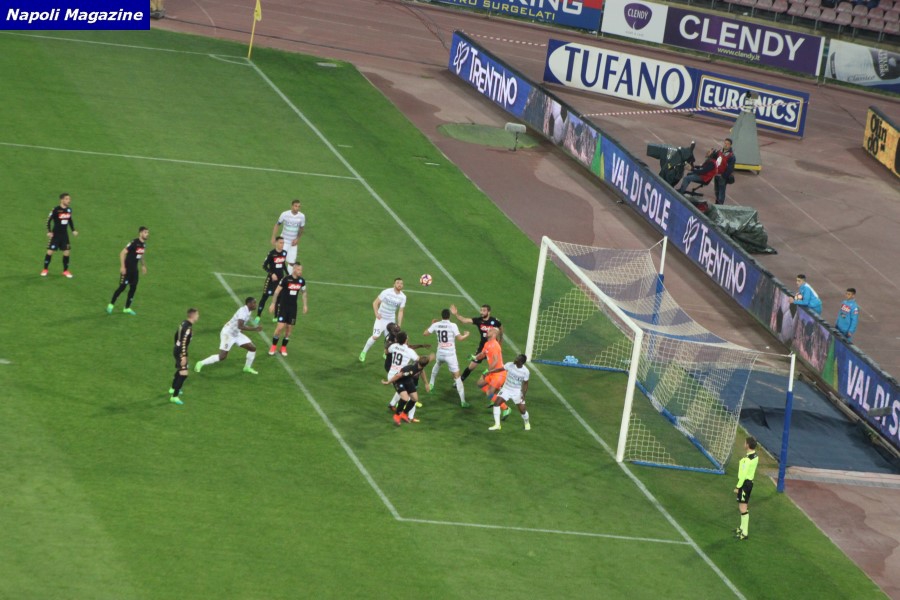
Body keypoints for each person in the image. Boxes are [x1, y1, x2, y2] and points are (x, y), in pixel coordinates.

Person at [195, 297, 264, 375]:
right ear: (249, 304)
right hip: (228, 334)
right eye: (254, 303)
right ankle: (200, 363)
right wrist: (255, 329)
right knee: (222, 356)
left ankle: (247, 367)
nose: (256, 305)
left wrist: (240, 331)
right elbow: (240, 326)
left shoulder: (248, 311)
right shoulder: (243, 312)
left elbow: (239, 325)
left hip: (236, 333)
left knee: (252, 348)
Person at [423, 308, 471, 407]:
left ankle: (431, 384)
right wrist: (466, 335)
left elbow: (425, 333)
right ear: (449, 316)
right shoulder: (453, 325)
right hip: (450, 355)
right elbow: (460, 338)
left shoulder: (436, 324)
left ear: (442, 316)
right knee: (457, 377)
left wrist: (432, 324)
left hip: (440, 353)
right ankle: (463, 401)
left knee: (437, 364)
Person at [450, 303, 502, 382]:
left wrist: (500, 341)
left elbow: (501, 329)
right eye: (481, 310)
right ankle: (460, 380)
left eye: (484, 311)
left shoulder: (495, 321)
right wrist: (456, 314)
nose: (481, 312)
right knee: (471, 366)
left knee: (496, 366)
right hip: (483, 347)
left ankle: (499, 383)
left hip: (493, 348)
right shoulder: (478, 320)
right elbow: (464, 320)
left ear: (489, 312)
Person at [360, 278, 406, 362]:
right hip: (381, 318)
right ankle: (363, 352)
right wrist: (376, 313)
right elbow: (375, 303)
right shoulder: (386, 292)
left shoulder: (403, 297)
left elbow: (401, 311)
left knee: (390, 339)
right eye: (398, 283)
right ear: (394, 284)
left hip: (391, 320)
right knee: (375, 336)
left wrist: (399, 324)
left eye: (401, 283)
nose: (399, 284)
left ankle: (386, 352)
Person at [106, 227, 150, 316]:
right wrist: (122, 267)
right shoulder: (134, 243)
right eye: (145, 232)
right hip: (127, 270)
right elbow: (122, 253)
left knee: (133, 288)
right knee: (122, 287)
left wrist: (143, 265)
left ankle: (126, 308)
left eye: (148, 233)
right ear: (140, 233)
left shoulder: (143, 244)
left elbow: (141, 254)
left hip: (134, 271)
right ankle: (111, 305)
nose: (147, 234)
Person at [268, 263, 308, 357]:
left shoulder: (301, 281)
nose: (300, 272)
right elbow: (277, 291)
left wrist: (305, 305)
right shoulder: (286, 279)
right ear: (294, 269)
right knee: (280, 327)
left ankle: (283, 347)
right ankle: (273, 346)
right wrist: (273, 303)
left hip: (293, 308)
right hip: (283, 307)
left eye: (301, 270)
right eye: (299, 270)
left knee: (289, 329)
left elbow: (304, 292)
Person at [383, 354, 433, 426]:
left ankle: (404, 413)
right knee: (405, 398)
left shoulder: (420, 366)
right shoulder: (411, 368)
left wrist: (426, 383)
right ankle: (397, 415)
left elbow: (421, 371)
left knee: (415, 398)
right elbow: (398, 375)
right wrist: (388, 382)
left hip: (408, 380)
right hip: (398, 381)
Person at [485, 354, 531, 431]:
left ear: (521, 362)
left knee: (522, 410)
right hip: (506, 389)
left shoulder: (525, 371)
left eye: (517, 359)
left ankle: (527, 423)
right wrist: (490, 371)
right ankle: (497, 425)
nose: (515, 359)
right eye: (516, 357)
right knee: (496, 403)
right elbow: (500, 369)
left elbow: (526, 384)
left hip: (516, 391)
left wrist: (523, 394)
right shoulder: (510, 365)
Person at [385, 330, 423, 417]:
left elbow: (387, 351)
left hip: (391, 374)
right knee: (410, 397)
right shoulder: (409, 351)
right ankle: (409, 417)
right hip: (400, 376)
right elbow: (419, 360)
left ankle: (392, 404)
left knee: (401, 390)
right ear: (406, 340)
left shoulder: (393, 346)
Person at [474, 327, 510, 419]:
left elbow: (495, 361)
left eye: (490, 330)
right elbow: (483, 354)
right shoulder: (487, 344)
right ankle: (494, 397)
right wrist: (475, 357)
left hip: (499, 373)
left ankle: (506, 408)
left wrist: (487, 371)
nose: (487, 331)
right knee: (480, 384)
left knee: (489, 393)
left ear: (494, 334)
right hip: (493, 372)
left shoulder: (495, 345)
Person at [41, 192, 78, 278]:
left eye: (69, 199)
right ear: (62, 200)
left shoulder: (69, 210)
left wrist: (73, 230)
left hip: (64, 235)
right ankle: (45, 269)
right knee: (50, 251)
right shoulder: (55, 210)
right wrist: (49, 231)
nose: (69, 200)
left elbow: (70, 220)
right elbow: (48, 220)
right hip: (56, 235)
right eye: (67, 199)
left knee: (67, 252)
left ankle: (65, 271)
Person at [255, 237, 288, 324]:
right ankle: (258, 316)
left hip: (280, 280)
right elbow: (264, 265)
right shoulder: (271, 254)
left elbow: (283, 264)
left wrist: (288, 274)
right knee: (264, 297)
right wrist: (272, 274)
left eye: (283, 243)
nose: (282, 244)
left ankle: (275, 317)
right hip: (271, 280)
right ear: (276, 243)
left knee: (279, 298)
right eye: (280, 243)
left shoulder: (284, 253)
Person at [169, 308, 199, 405]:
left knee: (181, 369)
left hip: (177, 349)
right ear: (193, 316)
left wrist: (176, 345)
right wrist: (183, 356)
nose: (198, 316)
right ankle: (174, 397)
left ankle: (173, 388)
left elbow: (176, 335)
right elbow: (183, 343)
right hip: (181, 352)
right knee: (184, 374)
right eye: (197, 315)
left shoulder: (183, 323)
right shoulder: (188, 328)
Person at [734, 436, 759, 541]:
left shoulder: (747, 460)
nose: (744, 444)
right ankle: (741, 528)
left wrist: (737, 487)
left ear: (748, 445)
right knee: (743, 506)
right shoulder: (755, 456)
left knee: (743, 508)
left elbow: (743, 475)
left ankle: (745, 533)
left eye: (745, 443)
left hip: (745, 484)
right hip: (749, 484)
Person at [271, 199, 305, 268]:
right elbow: (277, 225)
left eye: (299, 206)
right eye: (295, 206)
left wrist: (297, 239)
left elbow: (301, 228)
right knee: (279, 260)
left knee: (292, 263)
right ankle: (275, 274)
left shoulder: (302, 216)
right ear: (292, 206)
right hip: (284, 241)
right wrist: (273, 237)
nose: (297, 208)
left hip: (293, 243)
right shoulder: (285, 214)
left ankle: (289, 275)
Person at [713, 138, 735, 205]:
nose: (725, 145)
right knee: (716, 191)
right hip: (716, 175)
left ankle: (720, 206)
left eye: (727, 144)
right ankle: (717, 204)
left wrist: (723, 176)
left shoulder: (731, 156)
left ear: (730, 145)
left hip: (722, 177)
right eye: (725, 143)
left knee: (721, 193)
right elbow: (713, 159)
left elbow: (730, 168)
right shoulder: (719, 151)